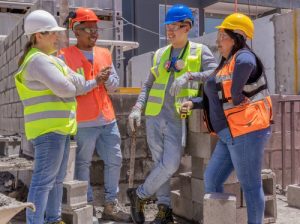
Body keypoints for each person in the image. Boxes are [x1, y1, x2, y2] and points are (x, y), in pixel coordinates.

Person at [127, 4, 217, 224]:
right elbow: (148, 85)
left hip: (177, 118)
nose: (169, 31)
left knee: (170, 164)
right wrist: (137, 108)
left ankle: (138, 195)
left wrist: (189, 76)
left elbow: (216, 73)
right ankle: (164, 208)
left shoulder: (199, 50)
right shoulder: (159, 54)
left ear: (187, 26)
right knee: (161, 165)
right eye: (167, 26)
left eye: (174, 26)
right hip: (155, 117)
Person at [181, 13, 272, 224]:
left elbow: (247, 66)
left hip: (246, 132)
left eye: (222, 36)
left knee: (250, 185)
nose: (217, 41)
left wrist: (238, 93)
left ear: (237, 36)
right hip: (228, 135)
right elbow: (217, 97)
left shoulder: (242, 57)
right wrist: (194, 103)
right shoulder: (226, 63)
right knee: (212, 179)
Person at [15, 10, 103, 224]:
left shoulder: (52, 60)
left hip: (61, 128)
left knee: (55, 180)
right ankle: (35, 221)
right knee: (43, 181)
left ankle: (53, 219)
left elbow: (79, 83)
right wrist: (73, 83)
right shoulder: (36, 61)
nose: (57, 37)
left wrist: (77, 82)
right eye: (52, 33)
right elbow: (66, 88)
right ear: (39, 36)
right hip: (48, 131)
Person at [58, 7, 131, 222]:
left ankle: (110, 204)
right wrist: (96, 81)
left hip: (107, 118)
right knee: (83, 164)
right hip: (83, 121)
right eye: (88, 28)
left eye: (96, 28)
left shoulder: (104, 53)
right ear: (76, 31)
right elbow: (70, 88)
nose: (94, 33)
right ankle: (87, 206)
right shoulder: (64, 56)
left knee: (115, 160)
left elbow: (115, 87)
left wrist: (108, 80)